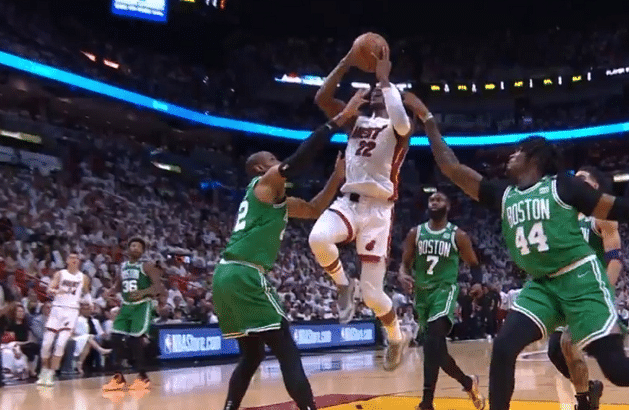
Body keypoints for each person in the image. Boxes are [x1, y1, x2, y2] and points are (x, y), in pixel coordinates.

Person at [403, 91, 629, 410]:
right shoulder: (504, 195)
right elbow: (452, 168)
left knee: (617, 371)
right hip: (542, 286)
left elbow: (617, 208)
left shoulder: (563, 186)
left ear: (534, 158)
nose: (510, 156)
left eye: (517, 151)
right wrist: (428, 120)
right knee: (504, 346)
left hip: (580, 280)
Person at [213, 90, 366, 410]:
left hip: (225, 275)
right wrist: (341, 117)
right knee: (286, 349)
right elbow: (297, 161)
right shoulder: (265, 183)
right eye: (271, 159)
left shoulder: (274, 202)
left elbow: (313, 209)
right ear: (260, 168)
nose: (276, 162)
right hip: (244, 272)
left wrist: (336, 177)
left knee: (252, 355)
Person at [309, 43, 413, 371]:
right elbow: (322, 98)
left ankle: (396, 337)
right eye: (376, 90)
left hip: (378, 212)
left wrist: (385, 80)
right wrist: (346, 60)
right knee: (318, 238)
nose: (377, 92)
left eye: (383, 91)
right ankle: (343, 284)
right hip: (349, 201)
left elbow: (403, 122)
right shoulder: (356, 120)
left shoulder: (400, 130)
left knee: (372, 295)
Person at [398, 191, 485, 410]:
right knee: (437, 351)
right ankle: (468, 382)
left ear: (448, 205)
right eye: (431, 200)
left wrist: (477, 283)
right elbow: (405, 264)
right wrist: (402, 275)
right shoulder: (415, 233)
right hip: (422, 294)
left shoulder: (458, 235)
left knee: (431, 342)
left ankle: (427, 403)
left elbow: (474, 265)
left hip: (444, 291)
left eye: (439, 199)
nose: (434, 202)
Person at [547, 166, 622, 410]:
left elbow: (615, 260)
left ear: (595, 186)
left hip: (591, 292)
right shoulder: (564, 216)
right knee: (556, 350)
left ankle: (583, 402)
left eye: (581, 178)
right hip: (566, 292)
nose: (575, 181)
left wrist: (603, 292)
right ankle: (588, 391)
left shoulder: (602, 215)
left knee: (575, 347)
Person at [102, 237, 165, 391]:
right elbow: (118, 285)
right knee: (115, 337)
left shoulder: (147, 266)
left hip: (142, 306)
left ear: (143, 251)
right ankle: (118, 377)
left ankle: (143, 377)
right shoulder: (123, 266)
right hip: (126, 306)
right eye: (133, 245)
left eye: (139, 247)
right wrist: (110, 291)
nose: (135, 248)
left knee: (136, 341)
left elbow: (158, 288)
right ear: (128, 249)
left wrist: (143, 292)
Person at [37, 252, 91, 386]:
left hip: (71, 311)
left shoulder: (83, 277)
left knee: (60, 344)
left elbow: (87, 292)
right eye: (71, 257)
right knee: (46, 344)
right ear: (67, 260)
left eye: (77, 258)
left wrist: (90, 303)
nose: (74, 260)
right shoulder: (60, 274)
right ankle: (44, 371)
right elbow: (49, 289)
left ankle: (51, 374)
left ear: (79, 261)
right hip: (57, 309)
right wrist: (56, 291)